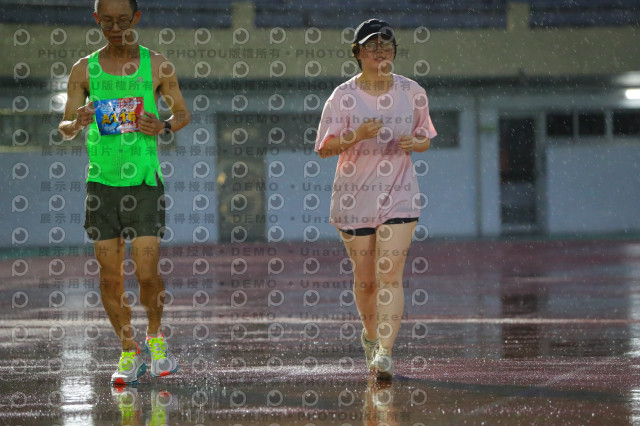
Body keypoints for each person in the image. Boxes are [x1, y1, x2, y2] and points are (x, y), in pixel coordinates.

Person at [59, 0, 190, 385]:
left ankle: (155, 338)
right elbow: (64, 126)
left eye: (122, 20)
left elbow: (182, 114)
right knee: (109, 278)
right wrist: (76, 122)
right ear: (96, 20)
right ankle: (129, 350)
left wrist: (163, 126)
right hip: (102, 185)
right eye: (107, 22)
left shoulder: (158, 65)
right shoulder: (84, 69)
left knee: (147, 274)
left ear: (136, 18)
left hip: (144, 183)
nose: (115, 28)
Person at [315, 18, 436, 380]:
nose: (380, 52)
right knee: (367, 280)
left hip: (400, 193)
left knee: (390, 274)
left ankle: (385, 351)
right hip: (354, 198)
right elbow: (324, 148)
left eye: (386, 46)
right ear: (357, 53)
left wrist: (416, 143)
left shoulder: (412, 91)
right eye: (372, 47)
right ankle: (370, 337)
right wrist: (356, 135)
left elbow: (425, 137)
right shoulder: (343, 96)